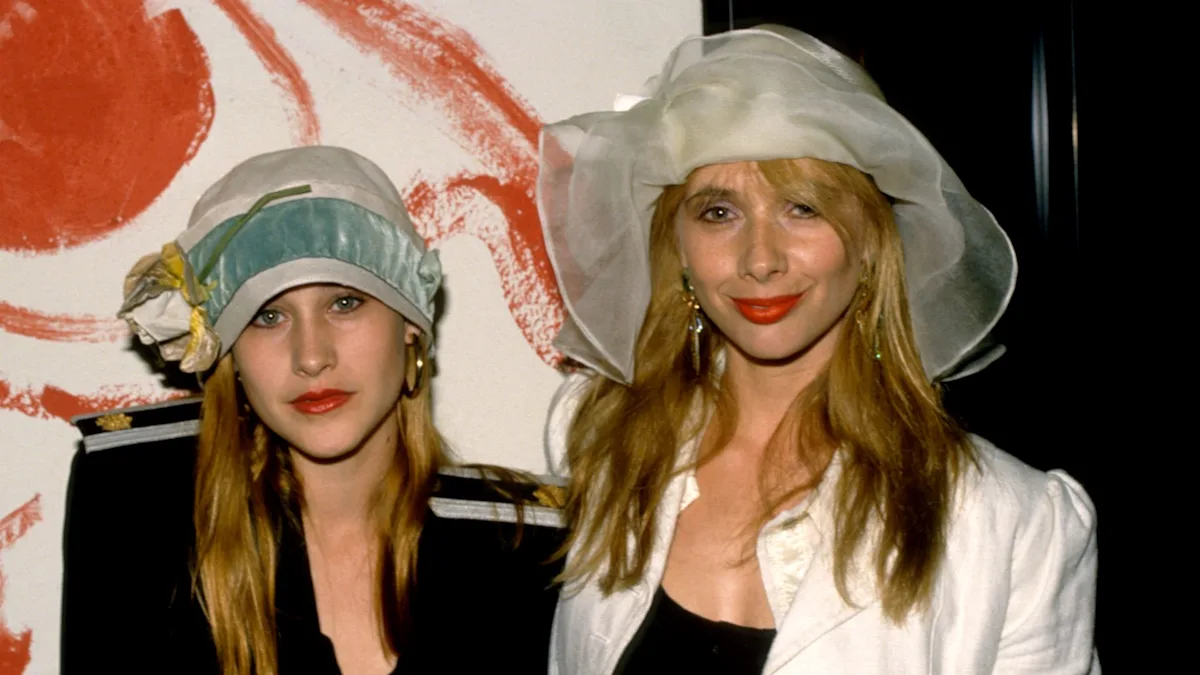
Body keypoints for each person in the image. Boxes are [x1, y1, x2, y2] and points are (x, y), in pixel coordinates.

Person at [538, 26, 1098, 674]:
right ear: (679, 249)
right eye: (718, 212)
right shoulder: (599, 440)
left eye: (802, 208)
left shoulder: (1013, 527)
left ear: (870, 239)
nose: (760, 259)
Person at [61, 146, 565, 675]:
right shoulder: (141, 509)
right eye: (267, 316)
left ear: (411, 321)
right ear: (229, 356)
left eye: (345, 303)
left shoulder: (526, 548)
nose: (311, 356)